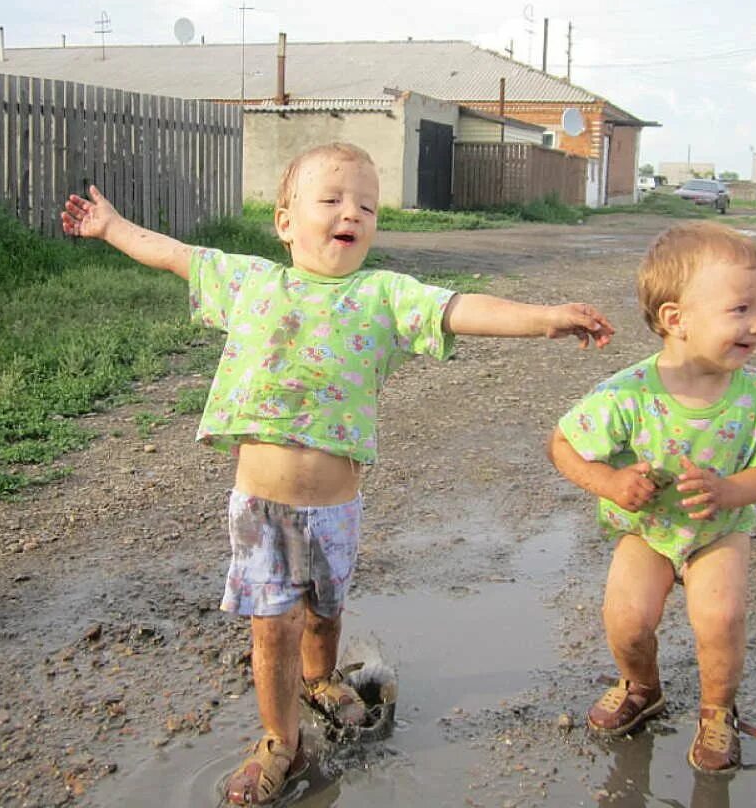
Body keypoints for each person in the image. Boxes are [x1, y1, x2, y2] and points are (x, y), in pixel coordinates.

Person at [61, 142, 615, 805]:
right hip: (262, 508)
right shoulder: (250, 283)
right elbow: (176, 254)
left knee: (323, 614)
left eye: (367, 206)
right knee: (274, 626)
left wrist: (546, 319)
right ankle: (279, 742)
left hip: (335, 509)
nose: (350, 212)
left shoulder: (383, 295)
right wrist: (112, 227)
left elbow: (460, 309)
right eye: (330, 200)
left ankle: (321, 680)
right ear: (285, 220)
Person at [547, 221, 756, 775]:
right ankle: (643, 686)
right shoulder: (628, 392)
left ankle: (716, 711)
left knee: (720, 615)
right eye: (740, 310)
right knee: (627, 617)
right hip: (649, 531)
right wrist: (611, 484)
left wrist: (730, 490)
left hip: (719, 528)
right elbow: (563, 445)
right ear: (675, 319)